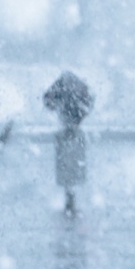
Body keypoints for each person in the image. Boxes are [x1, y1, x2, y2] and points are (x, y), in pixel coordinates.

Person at [44, 70, 94, 215]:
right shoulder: (79, 89)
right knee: (71, 170)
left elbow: (48, 101)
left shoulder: (64, 86)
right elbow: (88, 103)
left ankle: (69, 200)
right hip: (72, 132)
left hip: (67, 132)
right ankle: (71, 200)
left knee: (67, 171)